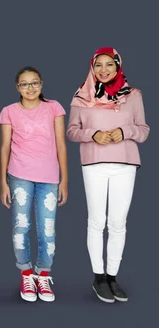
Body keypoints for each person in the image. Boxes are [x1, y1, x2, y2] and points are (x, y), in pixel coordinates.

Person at [67, 47, 150, 303]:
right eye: (99, 65)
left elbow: (143, 130)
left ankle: (113, 277)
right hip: (94, 163)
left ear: (117, 67)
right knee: (96, 221)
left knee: (117, 223)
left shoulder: (133, 95)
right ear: (93, 67)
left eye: (109, 65)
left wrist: (124, 132)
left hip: (125, 163)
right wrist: (93, 134)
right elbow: (71, 131)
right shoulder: (81, 96)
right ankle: (98, 277)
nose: (104, 70)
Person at [0, 66, 68, 302]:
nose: (30, 88)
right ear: (17, 87)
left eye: (34, 82)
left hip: (49, 177)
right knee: (21, 227)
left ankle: (43, 275)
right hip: (19, 175)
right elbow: (5, 147)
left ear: (41, 84)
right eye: (25, 84)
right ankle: (26, 273)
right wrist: (3, 183)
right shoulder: (9, 111)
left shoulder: (54, 108)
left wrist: (64, 180)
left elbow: (61, 144)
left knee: (47, 230)